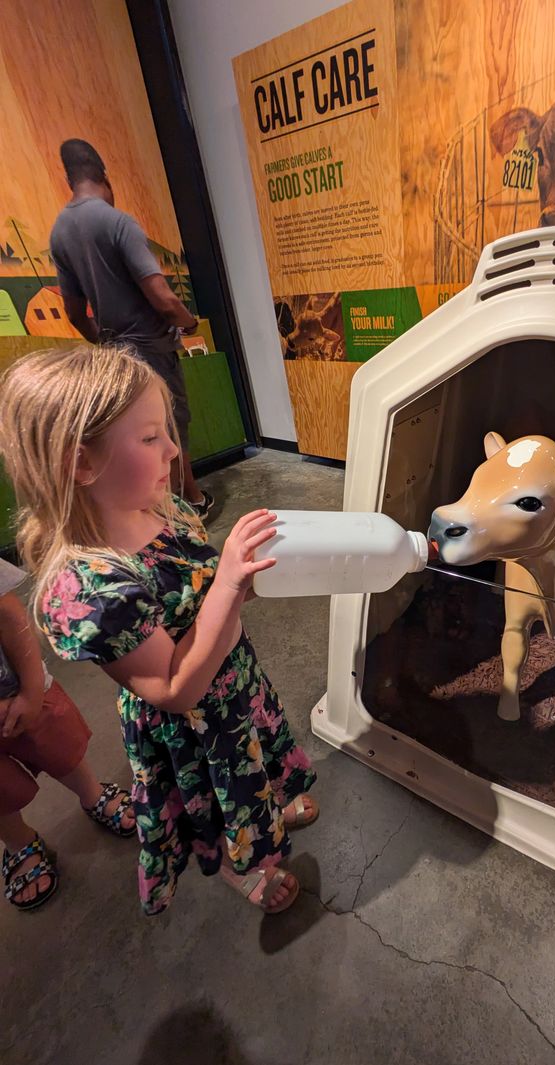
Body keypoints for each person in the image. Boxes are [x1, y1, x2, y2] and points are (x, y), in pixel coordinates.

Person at [0, 346, 318, 915]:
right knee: (223, 803)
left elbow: (203, 594)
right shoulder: (89, 590)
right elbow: (175, 689)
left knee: (256, 770)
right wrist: (226, 584)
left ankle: (265, 810)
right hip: (196, 731)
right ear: (82, 464)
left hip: (234, 686)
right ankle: (242, 866)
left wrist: (238, 580)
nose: (174, 449)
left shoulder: (159, 507)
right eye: (150, 438)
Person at [49, 138, 213, 519]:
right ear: (104, 176)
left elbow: (74, 313)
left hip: (116, 354)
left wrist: (106, 341)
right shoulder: (116, 221)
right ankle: (184, 512)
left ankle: (171, 506)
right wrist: (188, 323)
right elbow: (161, 296)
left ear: (69, 178)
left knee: (140, 434)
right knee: (170, 430)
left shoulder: (60, 232)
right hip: (152, 349)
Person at [0, 557, 136, 912]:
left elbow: (9, 615)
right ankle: (18, 843)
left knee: (62, 749)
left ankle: (92, 795)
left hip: (21, 693)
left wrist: (31, 691)